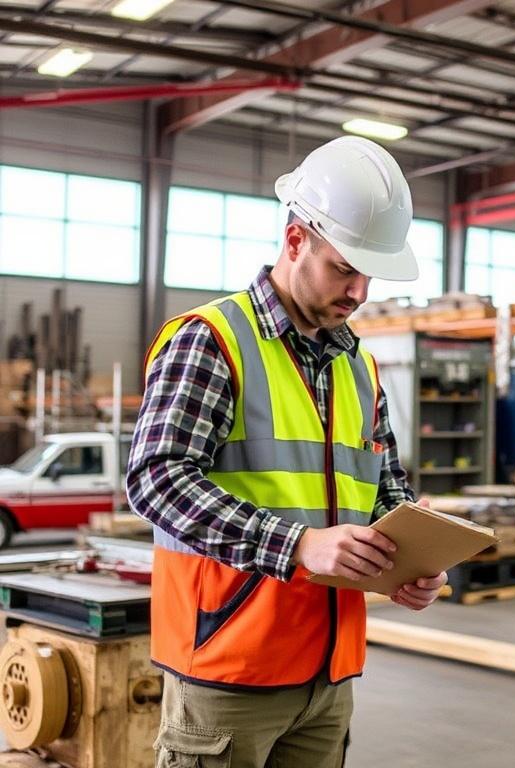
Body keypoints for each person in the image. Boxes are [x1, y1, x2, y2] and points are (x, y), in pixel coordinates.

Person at [127, 136, 447, 768]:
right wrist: (299, 545)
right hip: (228, 668)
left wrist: (414, 559)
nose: (359, 292)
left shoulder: (359, 366)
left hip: (329, 676)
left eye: (368, 274)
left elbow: (386, 491)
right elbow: (156, 481)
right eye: (344, 269)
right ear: (296, 241)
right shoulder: (213, 341)